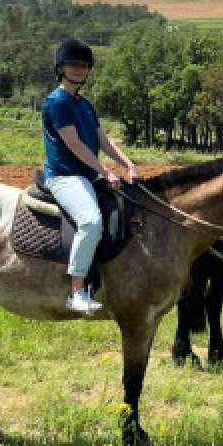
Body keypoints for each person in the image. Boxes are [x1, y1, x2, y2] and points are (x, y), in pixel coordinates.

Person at [42, 39, 140, 314]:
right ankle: (76, 291)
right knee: (91, 222)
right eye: (73, 64)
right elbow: (74, 144)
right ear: (61, 68)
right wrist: (106, 171)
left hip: (89, 175)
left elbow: (103, 140)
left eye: (84, 65)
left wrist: (128, 164)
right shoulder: (56, 102)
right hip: (65, 176)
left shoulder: (84, 104)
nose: (78, 69)